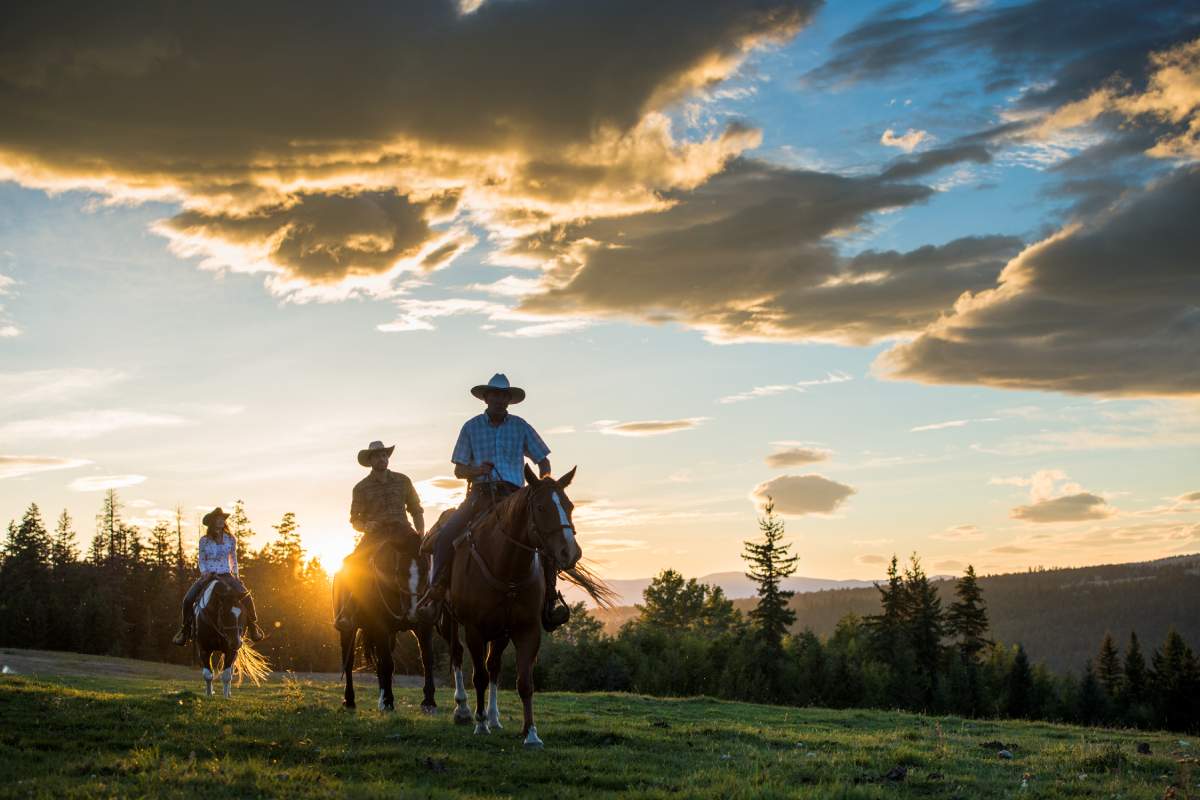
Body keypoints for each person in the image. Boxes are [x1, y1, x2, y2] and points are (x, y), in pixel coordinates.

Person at [415, 373, 570, 631]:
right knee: (446, 536)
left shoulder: (520, 426)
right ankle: (436, 593)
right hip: (480, 494)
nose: (499, 399)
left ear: (509, 400)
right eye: (494, 395)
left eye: (503, 396)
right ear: (486, 398)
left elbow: (542, 459)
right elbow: (459, 470)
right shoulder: (471, 427)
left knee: (544, 537)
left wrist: (544, 481)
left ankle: (550, 600)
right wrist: (477, 471)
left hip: (513, 496)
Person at [332, 440, 425, 631]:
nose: (382, 458)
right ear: (370, 460)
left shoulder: (403, 480)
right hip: (375, 535)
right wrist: (366, 525)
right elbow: (354, 520)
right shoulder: (361, 488)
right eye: (378, 456)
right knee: (350, 564)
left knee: (427, 557)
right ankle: (347, 612)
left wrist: (420, 532)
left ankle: (436, 603)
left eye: (385, 455)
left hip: (403, 531)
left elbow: (416, 509)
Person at [172, 507, 265, 645]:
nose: (221, 521)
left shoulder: (230, 539)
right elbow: (202, 559)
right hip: (209, 575)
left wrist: (236, 575)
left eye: (223, 519)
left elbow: (233, 558)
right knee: (188, 599)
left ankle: (253, 628)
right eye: (218, 519)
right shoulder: (204, 540)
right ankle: (185, 631)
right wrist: (204, 572)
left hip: (226, 575)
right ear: (212, 522)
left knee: (246, 596)